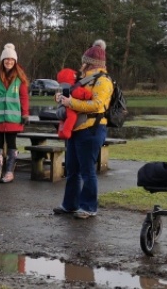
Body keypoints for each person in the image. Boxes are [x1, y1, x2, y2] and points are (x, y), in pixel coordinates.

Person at [53, 39, 113, 219]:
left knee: (87, 170)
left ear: (89, 62)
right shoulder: (84, 79)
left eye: (84, 60)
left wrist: (71, 102)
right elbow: (76, 99)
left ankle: (88, 206)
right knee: (72, 169)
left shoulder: (103, 81)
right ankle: (70, 204)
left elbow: (97, 105)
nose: (81, 63)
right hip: (76, 129)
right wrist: (62, 99)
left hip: (91, 129)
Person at [0, 43, 30, 183]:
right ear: (2, 61)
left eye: (12, 60)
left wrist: (25, 114)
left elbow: (24, 97)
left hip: (13, 117)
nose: (9, 62)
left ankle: (9, 172)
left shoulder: (20, 77)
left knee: (11, 143)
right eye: (6, 59)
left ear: (15, 62)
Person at [55, 67, 93, 139]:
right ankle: (66, 132)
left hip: (60, 109)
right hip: (68, 108)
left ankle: (61, 132)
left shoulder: (59, 87)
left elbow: (57, 98)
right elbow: (80, 93)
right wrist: (88, 95)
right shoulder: (72, 88)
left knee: (63, 120)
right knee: (72, 117)